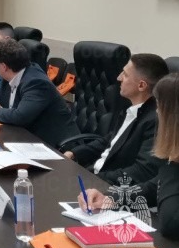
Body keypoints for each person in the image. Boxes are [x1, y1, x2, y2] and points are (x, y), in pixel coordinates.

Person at [81, 73, 179, 243]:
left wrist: (175, 161)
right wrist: (110, 199)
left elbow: (171, 224)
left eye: (160, 107)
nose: (157, 113)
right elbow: (153, 188)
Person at [63, 54, 168, 185]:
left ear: (141, 85)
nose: (119, 78)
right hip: (94, 174)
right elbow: (108, 141)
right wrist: (74, 153)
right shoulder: (131, 109)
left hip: (108, 185)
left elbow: (142, 172)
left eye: (125, 74)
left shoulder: (155, 122)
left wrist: (95, 179)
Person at [0, 38, 79, 148]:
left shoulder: (36, 82)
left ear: (4, 67)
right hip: (25, 136)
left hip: (58, 146)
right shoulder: (11, 75)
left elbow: (20, 116)